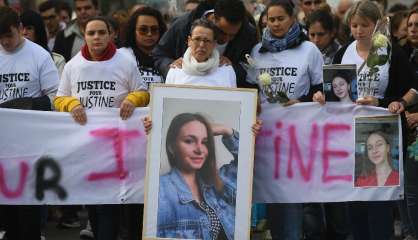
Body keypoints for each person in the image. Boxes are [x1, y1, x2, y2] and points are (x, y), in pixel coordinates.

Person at [312, 1, 415, 240]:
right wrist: (319, 95)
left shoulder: (391, 51)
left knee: (379, 198)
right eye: (354, 25)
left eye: (364, 25)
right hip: (348, 135)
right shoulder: (344, 51)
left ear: (376, 25)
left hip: (381, 131)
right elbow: (332, 88)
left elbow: (412, 89)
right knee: (354, 200)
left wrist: (396, 102)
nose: (358, 30)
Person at [54, 16, 149, 240]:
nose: (96, 37)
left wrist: (133, 99)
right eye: (91, 33)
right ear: (85, 36)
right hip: (85, 147)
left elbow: (144, 92)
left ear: (111, 34)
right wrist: (71, 103)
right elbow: (58, 99)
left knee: (109, 205)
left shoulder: (125, 62)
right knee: (93, 206)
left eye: (101, 32)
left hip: (116, 148)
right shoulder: (73, 65)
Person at [245, 1, 323, 239]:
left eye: (281, 18)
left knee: (290, 201)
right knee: (270, 198)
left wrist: (305, 102)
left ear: (292, 18)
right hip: (264, 138)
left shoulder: (309, 50)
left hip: (296, 140)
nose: (276, 24)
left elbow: (320, 90)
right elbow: (249, 91)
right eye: (271, 19)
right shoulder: (257, 51)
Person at [0, 6, 59, 240]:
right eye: (0, 37)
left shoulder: (39, 55)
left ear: (21, 29)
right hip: (3, 143)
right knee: (7, 209)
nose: (5, 42)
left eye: (9, 35)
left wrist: (27, 105)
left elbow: (57, 96)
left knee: (30, 208)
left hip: (31, 144)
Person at [157, 112, 238, 239]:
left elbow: (249, 165)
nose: (200, 149)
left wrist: (227, 131)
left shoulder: (217, 182)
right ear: (171, 147)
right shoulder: (159, 192)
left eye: (205, 142)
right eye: (189, 141)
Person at [152, 0, 257, 88]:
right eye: (222, 32)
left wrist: (233, 68)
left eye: (233, 35)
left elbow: (251, 68)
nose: (226, 39)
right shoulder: (183, 25)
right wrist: (171, 66)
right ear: (214, 18)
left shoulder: (248, 34)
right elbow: (158, 54)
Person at [165, 19, 236, 88]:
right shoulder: (176, 70)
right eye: (197, 39)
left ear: (214, 44)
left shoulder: (226, 71)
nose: (201, 45)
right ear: (189, 41)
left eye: (207, 40)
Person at [120, 6, 166, 90]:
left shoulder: (169, 57)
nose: (149, 34)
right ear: (133, 31)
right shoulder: (121, 56)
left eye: (154, 29)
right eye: (143, 29)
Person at [20, 10, 66, 77]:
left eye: (29, 28)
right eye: (21, 28)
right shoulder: (10, 59)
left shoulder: (57, 61)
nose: (24, 32)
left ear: (38, 32)